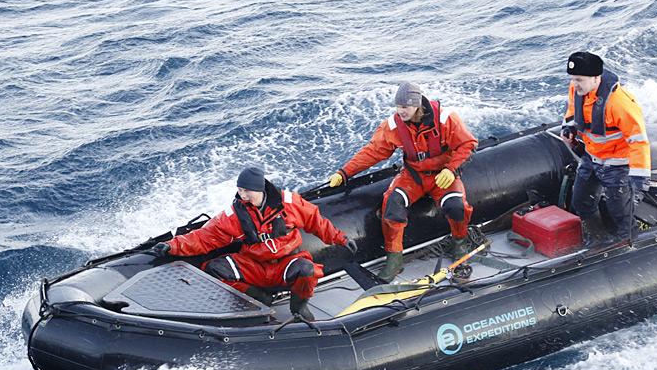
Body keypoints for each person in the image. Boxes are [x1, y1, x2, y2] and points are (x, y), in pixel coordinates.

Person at [150, 167, 358, 321]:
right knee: (215, 269)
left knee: (307, 270)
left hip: (285, 262)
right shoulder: (235, 215)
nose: (243, 195)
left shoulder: (291, 204)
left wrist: (341, 239)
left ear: (260, 189)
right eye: (240, 190)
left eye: (247, 191)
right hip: (254, 265)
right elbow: (206, 236)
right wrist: (172, 246)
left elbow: (317, 222)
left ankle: (299, 308)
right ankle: (259, 298)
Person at [327, 82, 478, 282]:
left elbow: (468, 144)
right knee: (392, 206)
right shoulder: (393, 125)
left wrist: (451, 170)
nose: (401, 111)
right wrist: (344, 173)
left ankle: (459, 244)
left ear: (417, 105)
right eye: (398, 107)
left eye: (405, 107)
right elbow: (373, 152)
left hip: (442, 175)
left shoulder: (445, 118)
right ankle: (394, 259)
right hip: (413, 176)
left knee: (456, 207)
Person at [560, 51, 651, 245]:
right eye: (573, 79)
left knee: (619, 211)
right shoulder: (577, 89)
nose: (575, 84)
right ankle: (597, 239)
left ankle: (628, 243)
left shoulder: (620, 104)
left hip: (617, 164)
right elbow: (571, 110)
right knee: (581, 202)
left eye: (580, 80)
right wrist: (568, 127)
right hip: (591, 157)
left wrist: (639, 177)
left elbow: (638, 142)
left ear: (596, 78)